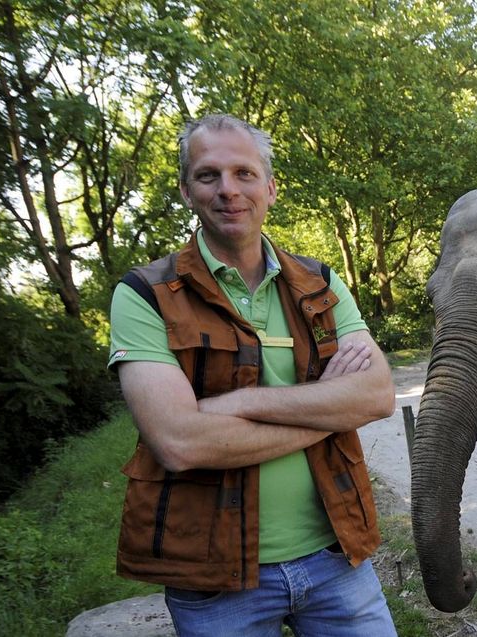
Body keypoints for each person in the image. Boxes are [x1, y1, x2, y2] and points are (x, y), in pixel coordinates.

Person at [107, 113, 398, 636]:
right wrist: (331, 406)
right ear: (185, 191)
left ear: (270, 187)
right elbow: (178, 442)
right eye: (208, 175)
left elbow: (376, 395)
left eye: (244, 173)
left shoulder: (320, 281)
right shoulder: (144, 294)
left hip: (337, 558)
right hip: (215, 580)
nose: (228, 190)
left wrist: (238, 404)